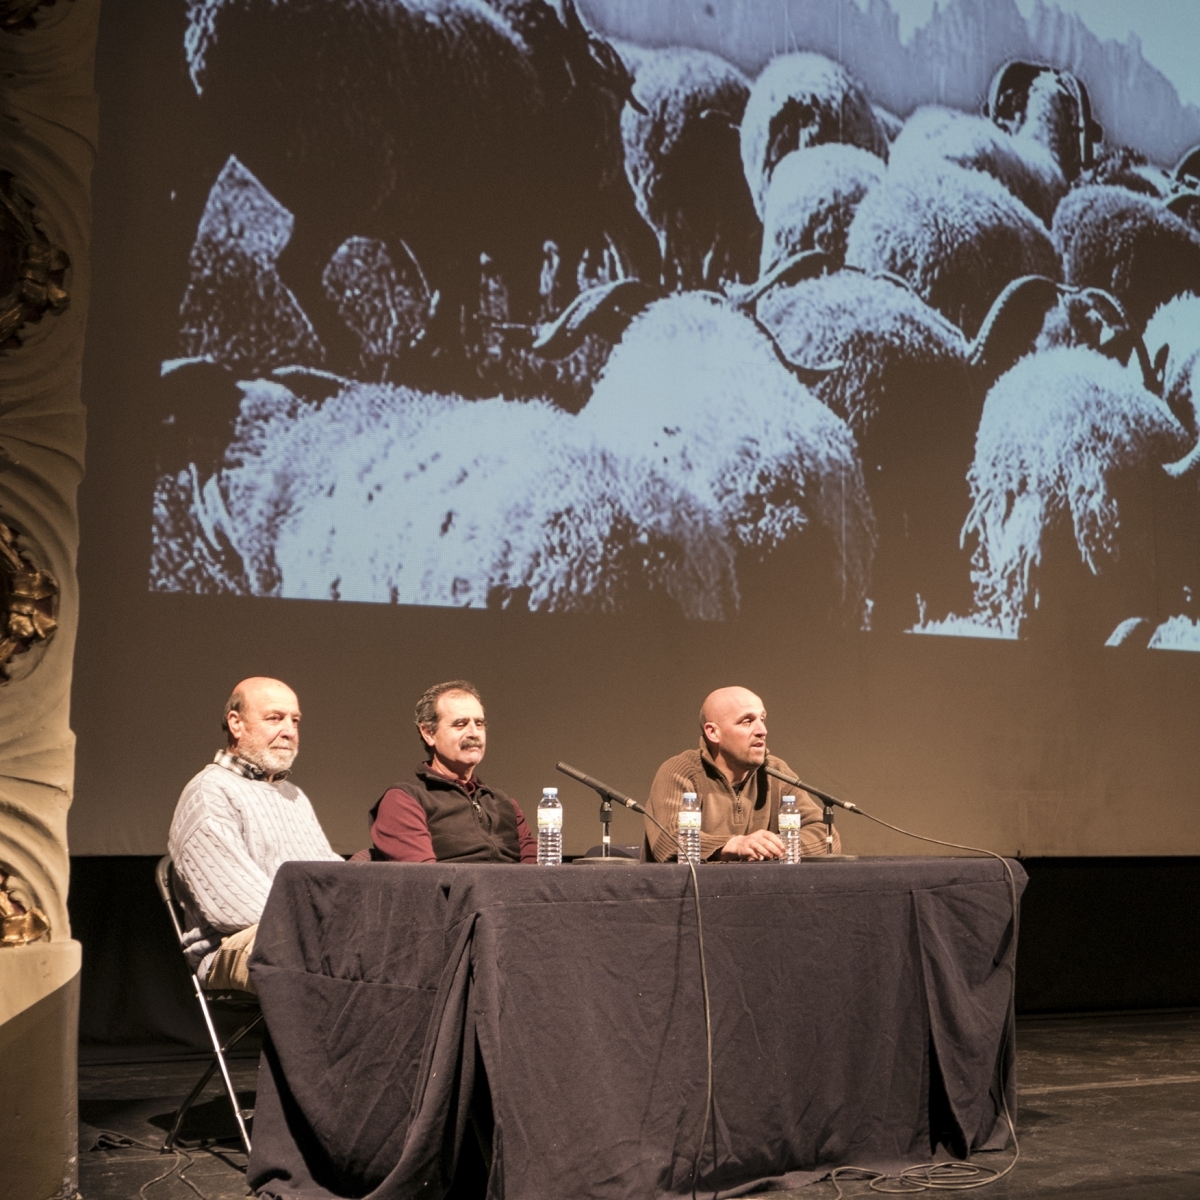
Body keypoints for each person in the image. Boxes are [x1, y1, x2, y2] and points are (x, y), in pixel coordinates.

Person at [168, 677, 342, 993]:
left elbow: (332, 878)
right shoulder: (209, 792)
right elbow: (237, 907)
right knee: (342, 953)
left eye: (295, 720)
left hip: (302, 933)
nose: (289, 730)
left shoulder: (292, 795)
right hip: (230, 948)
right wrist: (334, 925)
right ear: (236, 723)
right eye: (275, 718)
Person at [643, 685, 840, 862]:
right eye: (747, 721)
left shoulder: (775, 773)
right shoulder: (681, 772)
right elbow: (667, 841)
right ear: (713, 732)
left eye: (762, 719)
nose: (762, 730)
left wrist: (772, 847)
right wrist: (732, 845)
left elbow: (826, 835)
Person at [369, 680, 536, 863]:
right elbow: (424, 880)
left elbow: (540, 873)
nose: (474, 732)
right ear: (428, 733)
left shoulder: (505, 804)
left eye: (479, 723)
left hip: (517, 890)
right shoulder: (405, 799)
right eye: (460, 724)